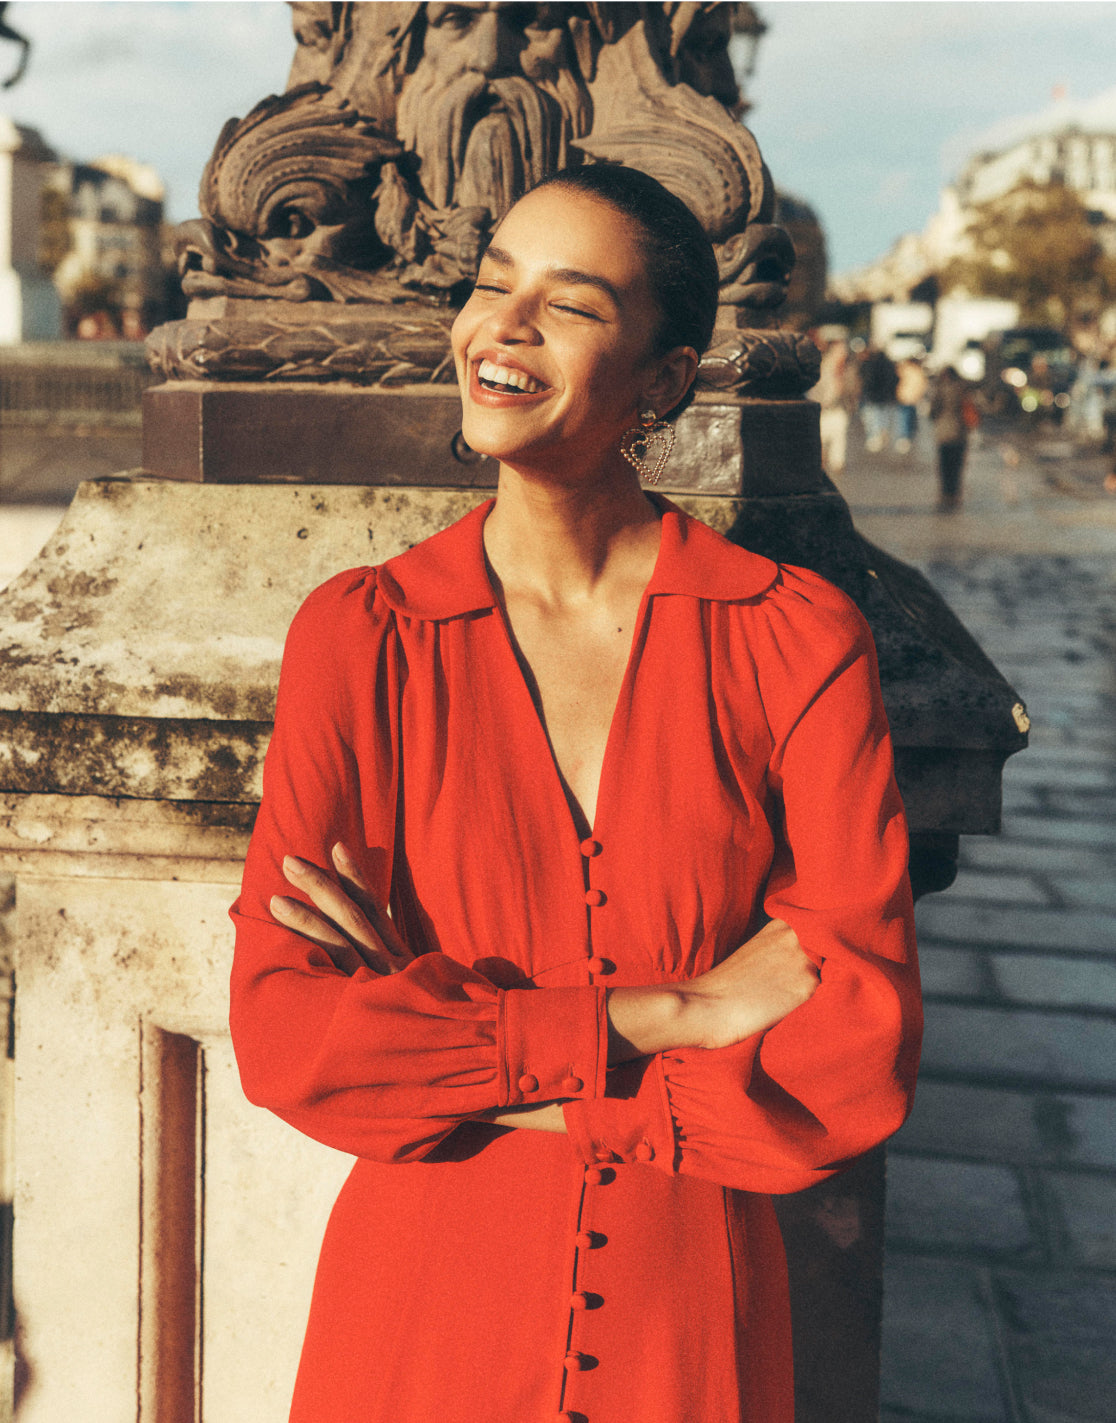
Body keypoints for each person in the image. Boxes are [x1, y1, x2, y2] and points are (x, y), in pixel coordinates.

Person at [229, 163, 922, 1423]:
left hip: (688, 1324)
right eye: (495, 283)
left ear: (663, 381)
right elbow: (291, 1038)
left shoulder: (793, 637)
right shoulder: (360, 637)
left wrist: (466, 1061)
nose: (505, 322)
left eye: (572, 303)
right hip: (422, 1314)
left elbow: (853, 1051)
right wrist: (680, 1006)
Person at [930, 364, 973, 511]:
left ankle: (945, 493)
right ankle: (955, 494)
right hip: (960, 434)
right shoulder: (964, 389)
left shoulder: (940, 390)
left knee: (944, 466)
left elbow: (933, 411)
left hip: (943, 434)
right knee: (957, 466)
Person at [811, 334, 854, 476]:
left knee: (839, 436)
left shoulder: (848, 368)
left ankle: (837, 464)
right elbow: (816, 388)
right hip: (824, 408)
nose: (842, 353)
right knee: (822, 437)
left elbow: (853, 387)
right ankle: (820, 465)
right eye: (839, 350)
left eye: (843, 350)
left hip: (840, 408)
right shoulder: (824, 366)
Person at [858, 343, 899, 452]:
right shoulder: (889, 364)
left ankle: (875, 437)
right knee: (883, 415)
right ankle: (882, 432)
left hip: (873, 394)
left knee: (873, 416)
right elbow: (894, 379)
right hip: (885, 395)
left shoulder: (871, 363)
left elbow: (868, 379)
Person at [894, 355, 928, 454]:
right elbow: (922, 385)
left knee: (904, 418)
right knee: (908, 418)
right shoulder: (918, 371)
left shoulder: (904, 370)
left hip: (903, 396)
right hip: (911, 398)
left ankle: (905, 437)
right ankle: (907, 436)